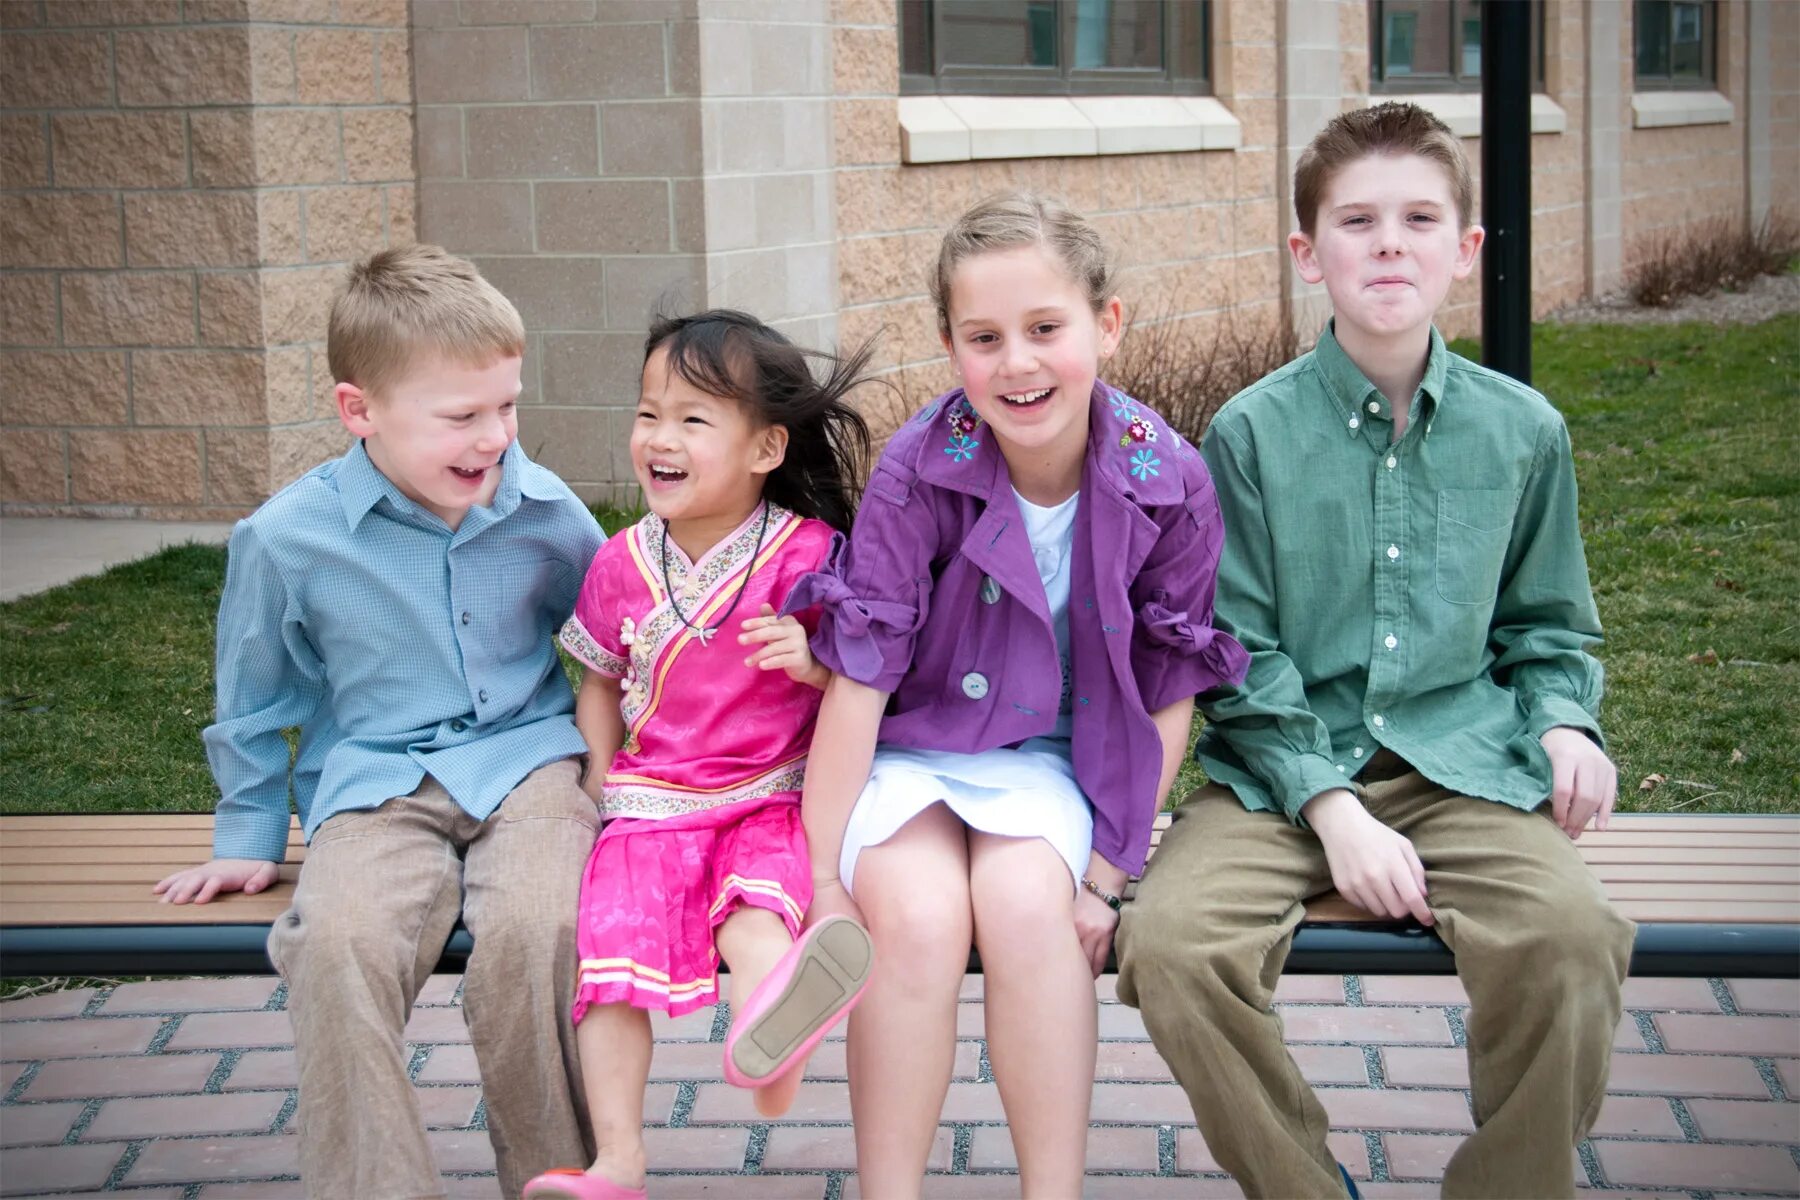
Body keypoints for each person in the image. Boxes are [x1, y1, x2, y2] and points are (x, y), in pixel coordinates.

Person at [1115, 102, 1636, 1200]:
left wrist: (1562, 717)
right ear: (1309, 254)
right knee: (1167, 946)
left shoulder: (1524, 431)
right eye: (1356, 220)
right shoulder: (1249, 435)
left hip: (1465, 769)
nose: (1389, 242)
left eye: (1418, 217)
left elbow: (1547, 623)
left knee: (1571, 938)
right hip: (1279, 779)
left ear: (1466, 248)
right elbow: (1235, 648)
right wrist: (1330, 806)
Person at [792, 192, 1250, 1197]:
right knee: (909, 919)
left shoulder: (1166, 480)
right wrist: (821, 878)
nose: (1018, 364)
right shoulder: (921, 471)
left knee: (1026, 910)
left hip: (1053, 757)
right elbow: (862, 680)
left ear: (1106, 323)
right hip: (917, 745)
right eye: (984, 337)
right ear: (950, 345)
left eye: (1046, 329)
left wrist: (1109, 874)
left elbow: (1168, 691)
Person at [153, 244, 606, 1199]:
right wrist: (247, 833)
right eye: (461, 417)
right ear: (360, 410)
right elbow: (254, 696)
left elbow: (623, 641)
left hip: (531, 769)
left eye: (507, 407)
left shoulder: (547, 510)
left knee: (540, 928)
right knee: (337, 945)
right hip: (374, 783)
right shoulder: (287, 536)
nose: (494, 438)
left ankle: (560, 1180)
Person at [521, 310, 878, 1200]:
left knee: (756, 925)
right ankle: (618, 1160)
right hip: (649, 808)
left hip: (769, 797)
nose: (659, 438)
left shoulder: (809, 557)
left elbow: (865, 684)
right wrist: (602, 778)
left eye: (692, 419)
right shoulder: (619, 563)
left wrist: (814, 660)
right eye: (649, 414)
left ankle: (774, 1039)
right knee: (605, 976)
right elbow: (599, 678)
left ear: (765, 448)